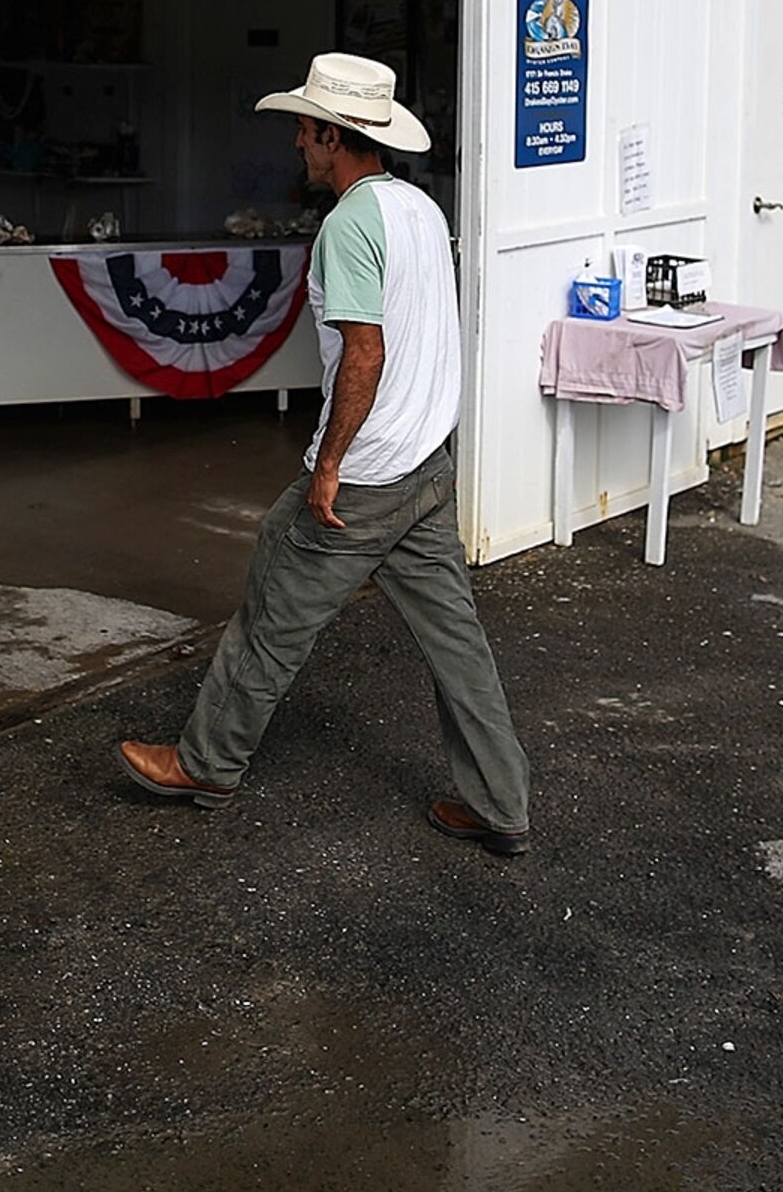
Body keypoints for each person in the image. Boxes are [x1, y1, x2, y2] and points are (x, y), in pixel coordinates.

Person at [118, 52, 534, 855]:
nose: (298, 147)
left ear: (333, 136)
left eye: (305, 132)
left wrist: (330, 463)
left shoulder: (348, 226)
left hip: (372, 471)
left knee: (275, 606)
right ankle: (500, 801)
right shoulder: (417, 206)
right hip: (427, 466)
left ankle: (206, 762)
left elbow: (366, 353)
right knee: (457, 643)